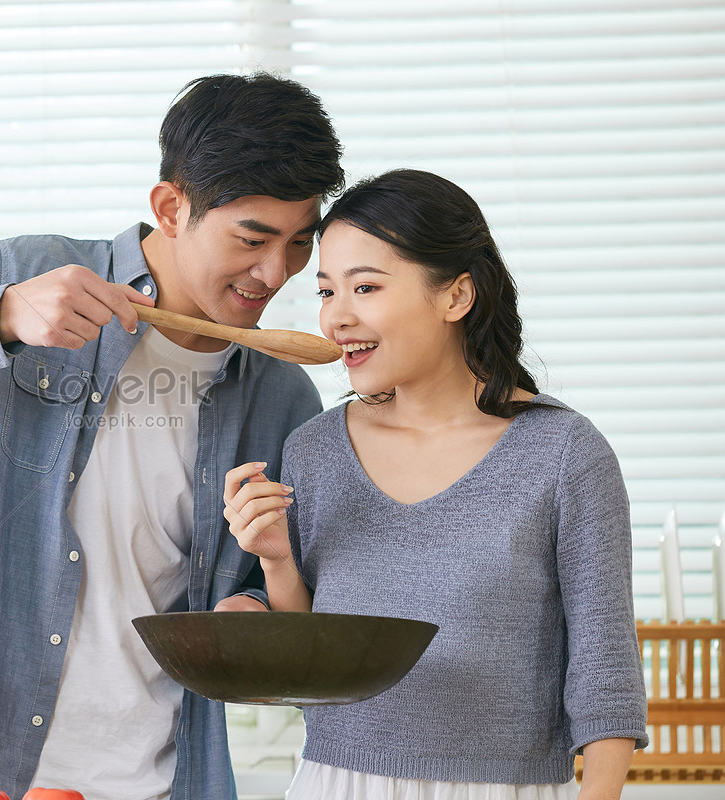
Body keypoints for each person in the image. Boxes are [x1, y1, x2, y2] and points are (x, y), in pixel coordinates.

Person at [0, 72, 344, 800]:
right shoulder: (30, 277)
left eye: (300, 243)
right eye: (253, 238)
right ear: (170, 208)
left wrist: (253, 613)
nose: (277, 273)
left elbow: (261, 591)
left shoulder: (282, 393)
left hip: (155, 779)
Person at [223, 169, 648, 800]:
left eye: (365, 287)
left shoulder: (565, 453)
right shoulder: (314, 448)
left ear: (456, 297)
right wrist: (277, 563)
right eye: (325, 291)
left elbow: (604, 668)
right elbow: (312, 660)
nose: (337, 317)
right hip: (336, 783)